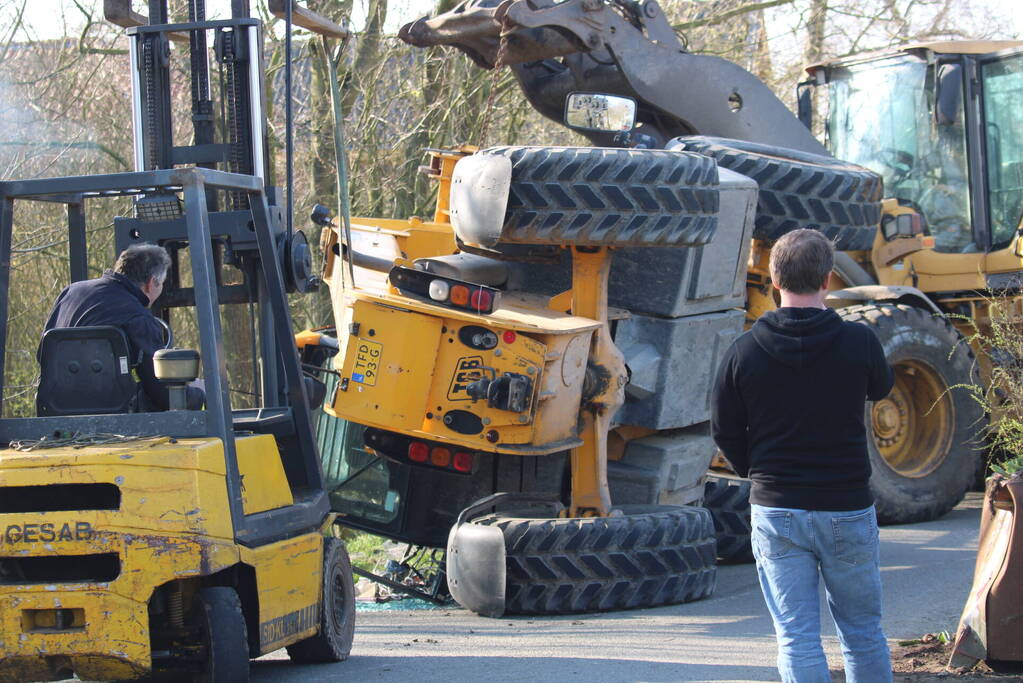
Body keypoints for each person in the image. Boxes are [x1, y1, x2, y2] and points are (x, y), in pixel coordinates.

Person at [711, 228, 895, 683]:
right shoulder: (860, 343)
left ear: (774, 280)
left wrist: (758, 474)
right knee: (863, 633)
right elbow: (883, 387)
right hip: (847, 506)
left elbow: (724, 429)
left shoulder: (744, 350)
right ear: (828, 280)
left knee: (796, 636)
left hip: (778, 507)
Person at [42, 243, 202, 411]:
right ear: (151, 283)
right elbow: (162, 394)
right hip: (112, 413)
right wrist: (197, 394)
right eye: (161, 283)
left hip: (56, 407)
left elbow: (43, 353)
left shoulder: (70, 292)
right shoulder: (138, 317)